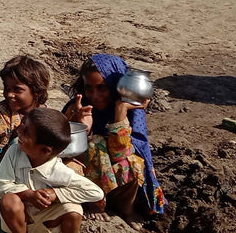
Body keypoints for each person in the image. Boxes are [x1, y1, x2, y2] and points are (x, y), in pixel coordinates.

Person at [63, 54, 167, 226]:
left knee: (133, 161)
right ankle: (93, 203)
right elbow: (61, 148)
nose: (95, 95)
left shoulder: (131, 111)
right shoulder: (77, 106)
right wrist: (80, 126)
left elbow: (122, 153)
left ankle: (125, 207)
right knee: (95, 144)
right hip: (84, 179)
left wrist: (120, 111)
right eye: (89, 88)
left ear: (117, 86)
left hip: (118, 180)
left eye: (102, 87)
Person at [0, 108, 104, 233]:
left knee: (73, 211)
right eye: (22, 125)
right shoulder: (14, 151)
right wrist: (28, 194)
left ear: (45, 150)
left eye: (26, 132)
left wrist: (55, 194)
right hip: (19, 219)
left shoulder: (58, 171)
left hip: (47, 221)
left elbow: (96, 192)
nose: (19, 130)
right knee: (9, 200)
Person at [0, 55, 52, 164]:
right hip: (9, 167)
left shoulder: (49, 115)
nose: (9, 94)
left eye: (17, 90)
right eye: (7, 88)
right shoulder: (4, 112)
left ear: (36, 91)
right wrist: (18, 133)